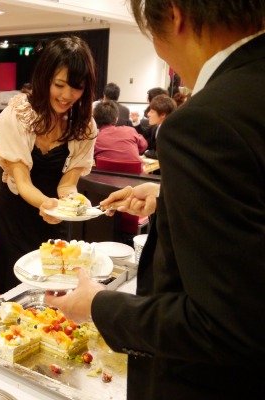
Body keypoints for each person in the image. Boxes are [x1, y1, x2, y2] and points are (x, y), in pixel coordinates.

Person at [46, 1, 265, 399]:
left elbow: (223, 324)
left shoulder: (207, 120)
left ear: (174, 15)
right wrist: (171, 199)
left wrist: (98, 306)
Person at [0, 36, 97, 295]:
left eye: (76, 88)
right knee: (12, 299)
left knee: (54, 298)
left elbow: (67, 184)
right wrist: (45, 203)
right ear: (45, 78)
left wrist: (75, 202)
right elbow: (22, 181)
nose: (67, 96)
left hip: (55, 221)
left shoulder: (84, 125)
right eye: (59, 85)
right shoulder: (18, 115)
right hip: (15, 218)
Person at [143, 93, 177, 160]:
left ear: (162, 115)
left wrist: (147, 152)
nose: (148, 114)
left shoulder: (171, 132)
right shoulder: (156, 126)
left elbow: (163, 154)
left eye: (152, 112)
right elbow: (143, 134)